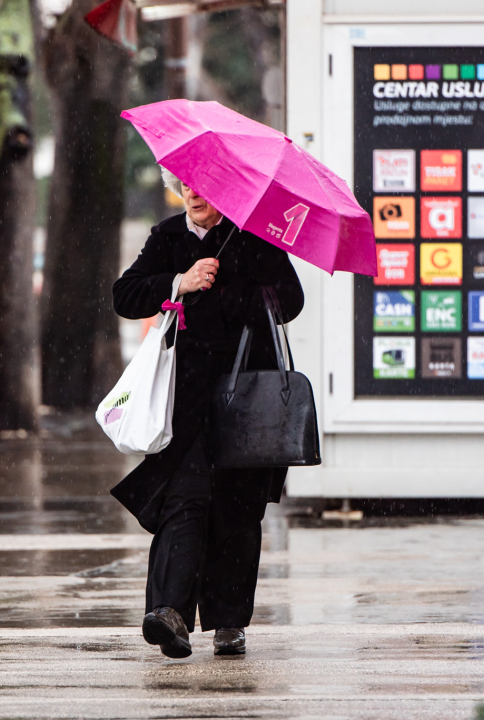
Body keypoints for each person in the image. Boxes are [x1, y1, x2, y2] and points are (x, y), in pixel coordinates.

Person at [111, 167, 304, 658]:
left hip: (247, 397)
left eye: (206, 185)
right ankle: (169, 613)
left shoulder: (254, 236)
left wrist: (242, 283)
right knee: (185, 497)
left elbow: (292, 301)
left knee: (238, 508)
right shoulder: (168, 237)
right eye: (187, 185)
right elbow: (125, 295)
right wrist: (180, 281)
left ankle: (229, 620)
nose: (194, 193)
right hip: (188, 399)